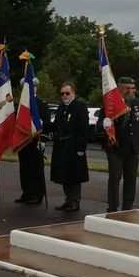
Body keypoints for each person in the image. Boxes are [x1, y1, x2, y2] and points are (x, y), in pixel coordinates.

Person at [102, 76, 139, 212]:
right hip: (116, 148)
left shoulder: (136, 102)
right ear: (122, 89)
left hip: (133, 148)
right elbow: (101, 124)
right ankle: (113, 208)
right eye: (130, 88)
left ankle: (127, 208)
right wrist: (104, 124)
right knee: (114, 180)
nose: (133, 91)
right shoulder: (110, 103)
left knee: (131, 180)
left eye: (133, 88)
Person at [50, 81, 89, 212]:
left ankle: (74, 201)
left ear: (73, 93)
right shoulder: (61, 107)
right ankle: (68, 200)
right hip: (61, 145)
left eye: (67, 93)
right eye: (62, 93)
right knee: (63, 174)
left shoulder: (80, 107)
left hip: (73, 145)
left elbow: (83, 129)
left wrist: (81, 148)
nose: (65, 95)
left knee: (74, 175)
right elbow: (56, 125)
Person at [15, 77, 51, 205]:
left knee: (36, 169)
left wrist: (43, 141)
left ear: (35, 88)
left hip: (36, 141)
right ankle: (26, 193)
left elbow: (47, 124)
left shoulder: (41, 104)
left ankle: (37, 194)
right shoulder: (21, 105)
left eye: (31, 87)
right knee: (24, 169)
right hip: (23, 141)